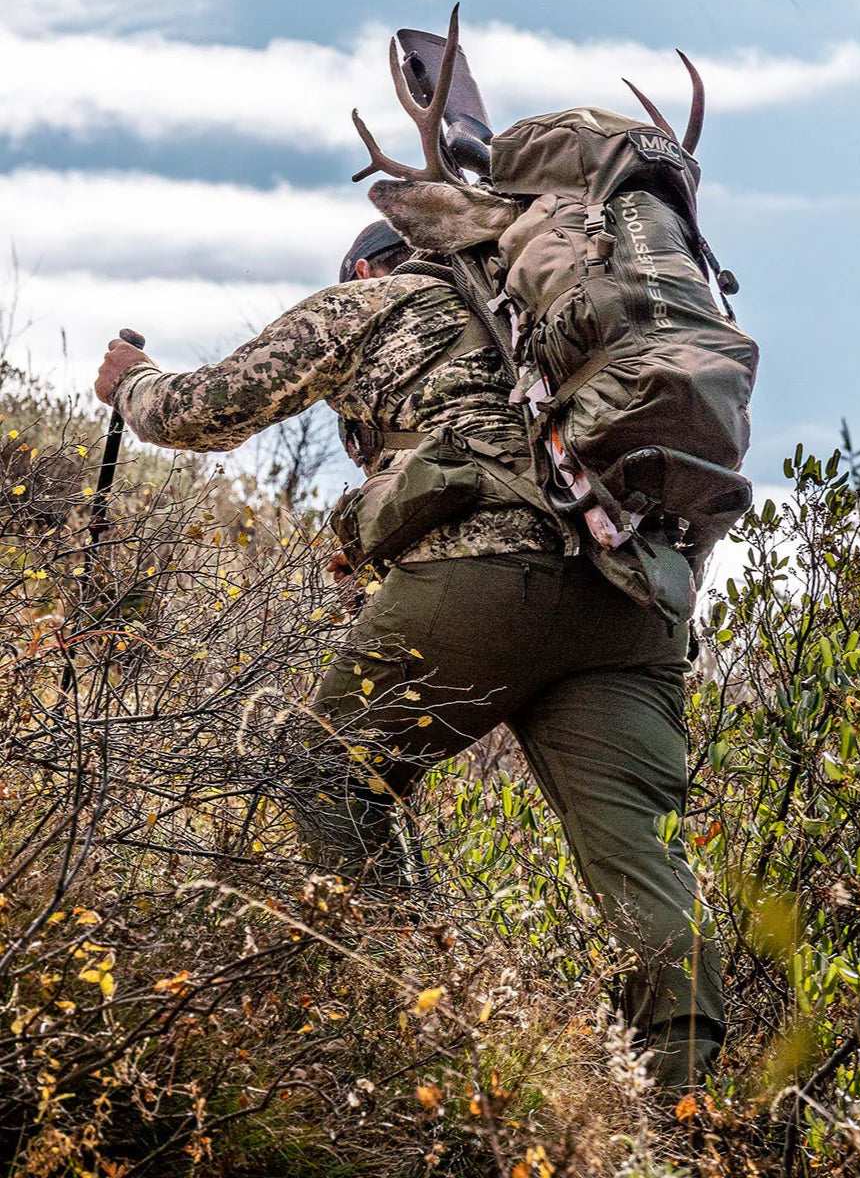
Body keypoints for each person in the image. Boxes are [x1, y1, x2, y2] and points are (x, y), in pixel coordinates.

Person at [94, 223, 725, 1094]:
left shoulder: (376, 302)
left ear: (364, 268)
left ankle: (410, 1008)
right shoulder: (568, 333)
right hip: (636, 604)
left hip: (487, 577)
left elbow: (201, 410)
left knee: (320, 773)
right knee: (639, 859)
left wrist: (134, 386)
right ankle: (687, 1100)